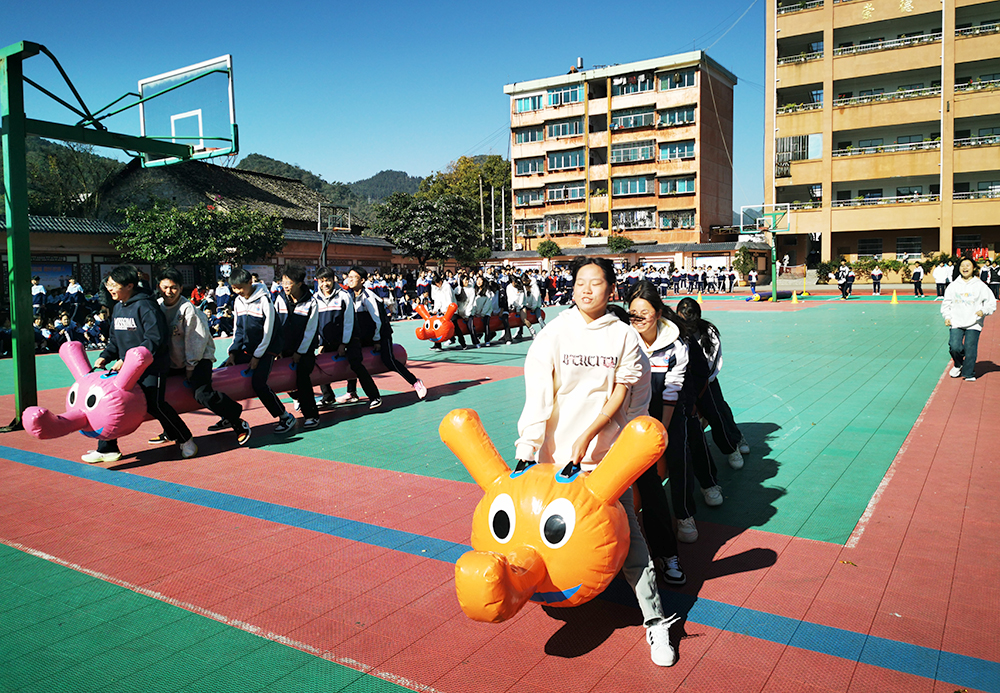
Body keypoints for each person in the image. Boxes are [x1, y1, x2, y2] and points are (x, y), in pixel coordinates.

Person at [515, 257, 680, 667]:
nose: (586, 289)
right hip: (555, 462)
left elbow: (635, 400)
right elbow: (538, 396)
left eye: (596, 283)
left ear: (611, 290)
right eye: (580, 283)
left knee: (632, 545)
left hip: (603, 467)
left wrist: (620, 449)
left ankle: (656, 622)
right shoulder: (553, 334)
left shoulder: (624, 338)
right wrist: (527, 448)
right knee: (546, 533)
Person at [83, 265, 197, 464]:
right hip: (124, 368)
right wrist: (104, 356)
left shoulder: (146, 306)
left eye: (113, 285)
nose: (110, 289)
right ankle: (107, 448)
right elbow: (115, 341)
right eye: (108, 285)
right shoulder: (118, 307)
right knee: (109, 402)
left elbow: (154, 339)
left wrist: (128, 360)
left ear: (129, 285)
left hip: (152, 367)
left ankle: (185, 439)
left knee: (155, 404)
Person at [625, 281, 688, 587]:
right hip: (621, 424)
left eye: (643, 314)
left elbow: (671, 393)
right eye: (632, 314)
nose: (637, 321)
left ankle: (668, 553)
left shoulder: (675, 347)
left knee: (654, 483)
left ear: (659, 313)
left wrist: (657, 434)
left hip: (658, 421)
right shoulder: (622, 341)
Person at [154, 269, 250, 445]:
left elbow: (196, 341)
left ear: (181, 288)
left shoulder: (188, 309)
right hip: (174, 359)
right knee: (158, 395)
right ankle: (170, 430)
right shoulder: (157, 306)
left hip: (199, 358)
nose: (169, 292)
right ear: (159, 287)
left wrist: (191, 367)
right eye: (165, 287)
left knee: (202, 394)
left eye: (174, 288)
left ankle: (237, 421)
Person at [219, 267, 295, 434]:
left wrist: (258, 356)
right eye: (233, 288)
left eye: (240, 287)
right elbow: (237, 328)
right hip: (247, 348)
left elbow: (268, 333)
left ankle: (285, 416)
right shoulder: (238, 301)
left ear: (250, 282)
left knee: (258, 383)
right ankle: (229, 415)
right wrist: (233, 352)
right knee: (220, 375)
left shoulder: (265, 301)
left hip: (267, 349)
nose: (237, 291)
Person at [337, 266, 427, 407]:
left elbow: (378, 321)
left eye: (353, 277)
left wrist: (377, 339)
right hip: (363, 335)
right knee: (354, 357)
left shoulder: (368, 296)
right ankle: (351, 392)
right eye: (349, 276)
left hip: (381, 333)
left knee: (388, 360)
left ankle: (415, 382)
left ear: (362, 280)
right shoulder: (348, 296)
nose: (350, 279)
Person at [676, 297, 749, 467]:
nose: (687, 326)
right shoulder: (673, 331)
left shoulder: (709, 333)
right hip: (682, 382)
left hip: (706, 381)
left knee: (717, 413)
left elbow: (713, 363)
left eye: (691, 322)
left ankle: (733, 445)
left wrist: (701, 385)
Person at [275, 265, 321, 427]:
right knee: (280, 378)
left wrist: (299, 352)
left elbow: (310, 330)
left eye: (289, 282)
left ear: (300, 283)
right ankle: (297, 399)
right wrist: (276, 349)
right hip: (283, 349)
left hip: (305, 351)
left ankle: (312, 415)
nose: (285, 285)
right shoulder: (280, 299)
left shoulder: (311, 302)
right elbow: (276, 325)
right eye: (283, 282)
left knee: (302, 378)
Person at [941, 257, 996, 382]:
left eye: (968, 265)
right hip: (956, 321)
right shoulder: (953, 286)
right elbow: (946, 303)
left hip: (974, 322)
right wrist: (947, 317)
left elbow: (991, 303)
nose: (965, 268)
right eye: (962, 265)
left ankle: (969, 373)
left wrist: (983, 311)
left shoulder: (980, 286)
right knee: (954, 346)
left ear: (974, 268)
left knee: (970, 348)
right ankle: (958, 364)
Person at [314, 266, 357, 408]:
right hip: (326, 342)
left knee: (350, 366)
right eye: (321, 281)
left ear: (333, 280)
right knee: (321, 368)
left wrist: (344, 343)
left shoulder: (344, 296)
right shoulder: (315, 299)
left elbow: (349, 321)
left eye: (327, 280)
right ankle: (328, 397)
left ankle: (352, 392)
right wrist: (320, 343)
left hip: (344, 341)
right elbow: (315, 324)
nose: (324, 284)